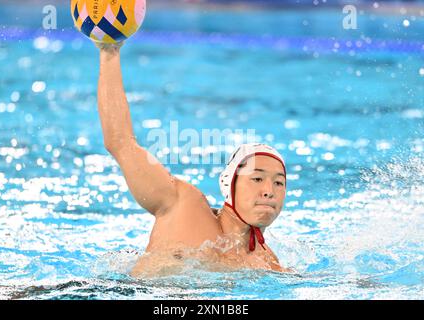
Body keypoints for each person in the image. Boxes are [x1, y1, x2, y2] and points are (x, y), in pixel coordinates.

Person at [96, 43, 291, 277]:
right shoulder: (182, 204)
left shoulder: (267, 263)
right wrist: (109, 53)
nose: (269, 191)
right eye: (257, 178)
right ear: (229, 185)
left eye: (279, 182)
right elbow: (120, 143)